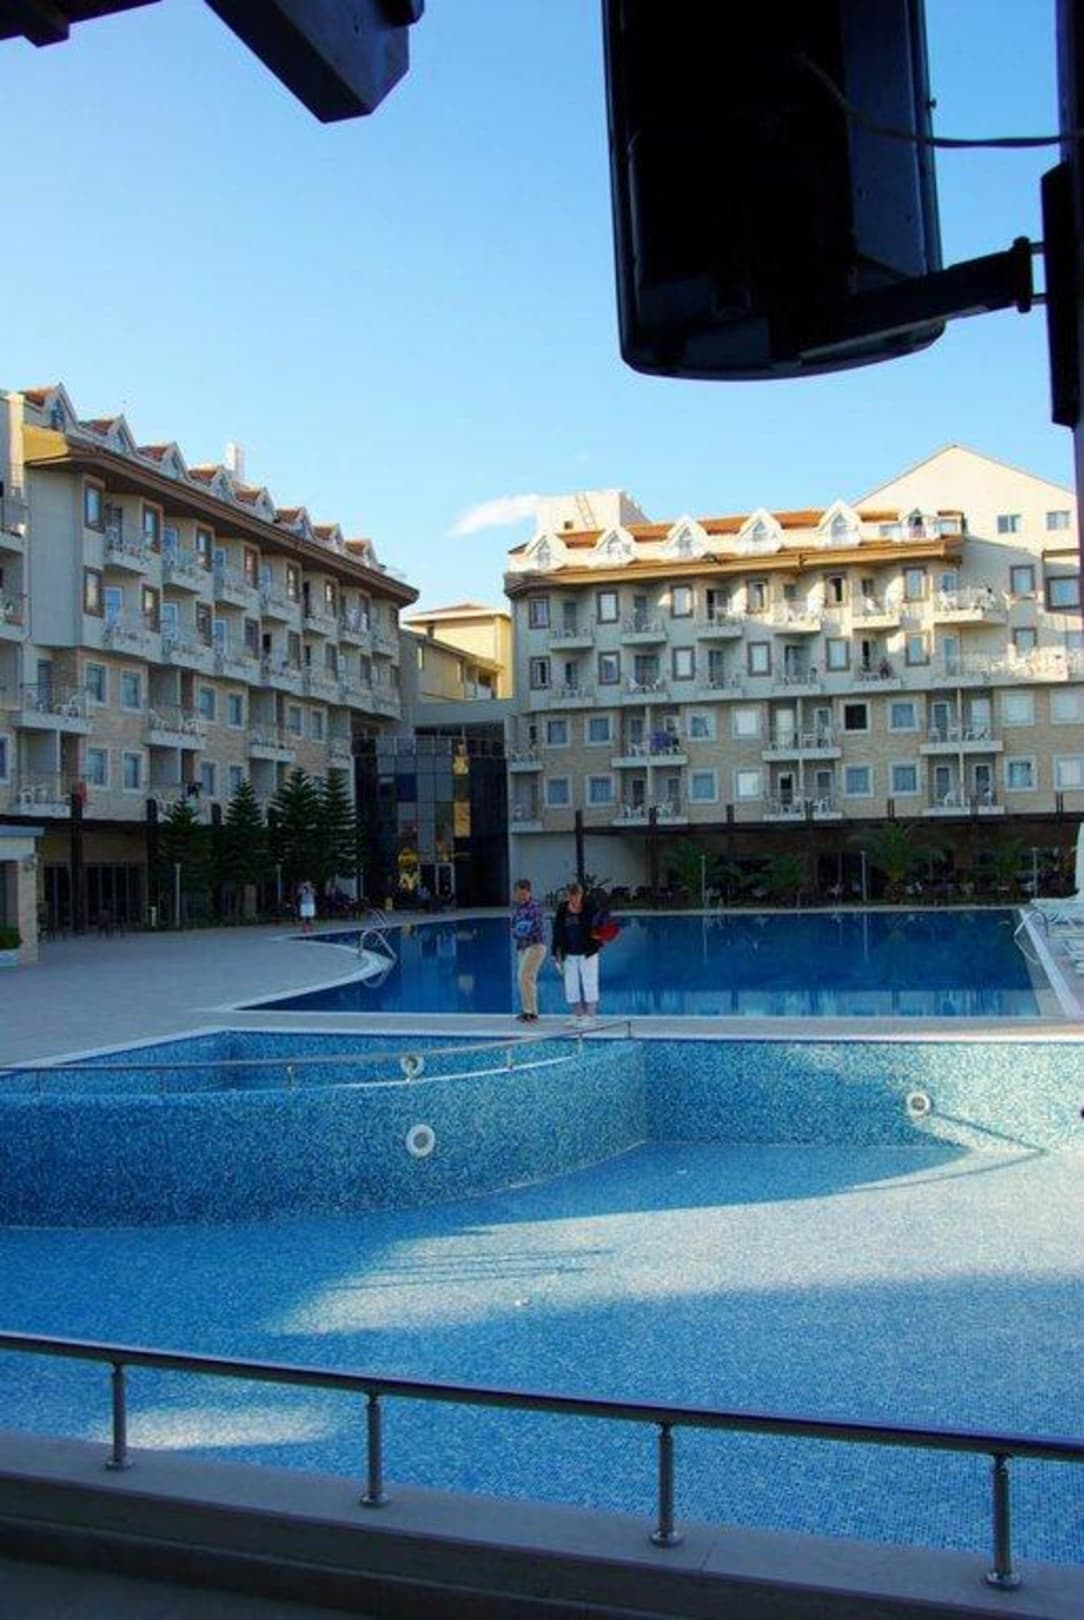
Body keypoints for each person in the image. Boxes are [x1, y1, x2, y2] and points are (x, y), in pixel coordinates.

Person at [551, 879, 600, 1026]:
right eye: (571, 897)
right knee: (571, 985)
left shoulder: (590, 907)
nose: (574, 900)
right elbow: (557, 932)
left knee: (589, 983)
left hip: (588, 953)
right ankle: (577, 1015)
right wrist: (555, 953)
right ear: (568, 896)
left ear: (581, 894)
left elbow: (600, 926)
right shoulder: (562, 909)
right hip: (569, 953)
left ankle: (590, 1016)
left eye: (577, 896)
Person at [510, 877, 546, 1022]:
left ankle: (528, 1011)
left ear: (529, 892)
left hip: (535, 946)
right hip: (523, 947)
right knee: (528, 978)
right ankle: (532, 1011)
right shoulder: (517, 909)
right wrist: (517, 931)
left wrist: (522, 931)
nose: (521, 897)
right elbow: (513, 928)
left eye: (524, 894)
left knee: (523, 976)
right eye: (519, 894)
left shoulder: (535, 907)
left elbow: (535, 927)